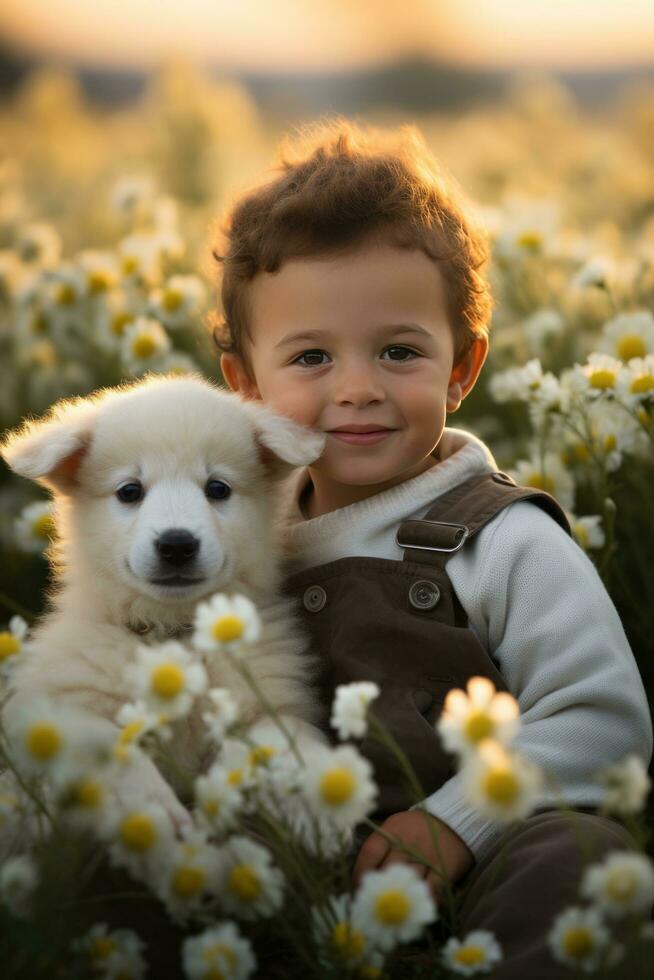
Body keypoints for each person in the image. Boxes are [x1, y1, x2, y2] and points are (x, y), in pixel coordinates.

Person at [213, 117, 652, 976]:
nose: (359, 388)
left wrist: (460, 818)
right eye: (310, 357)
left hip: (481, 876)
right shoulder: (230, 545)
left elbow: (607, 720)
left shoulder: (501, 537)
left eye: (399, 351)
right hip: (286, 891)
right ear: (245, 384)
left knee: (581, 859)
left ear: (463, 367)